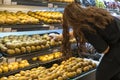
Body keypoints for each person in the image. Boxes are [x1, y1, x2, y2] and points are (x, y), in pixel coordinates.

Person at [61, 2, 120, 80]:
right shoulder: (91, 13)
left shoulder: (85, 28)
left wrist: (93, 42)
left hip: (117, 49)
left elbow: (105, 49)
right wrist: (60, 37)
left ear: (72, 20)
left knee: (101, 76)